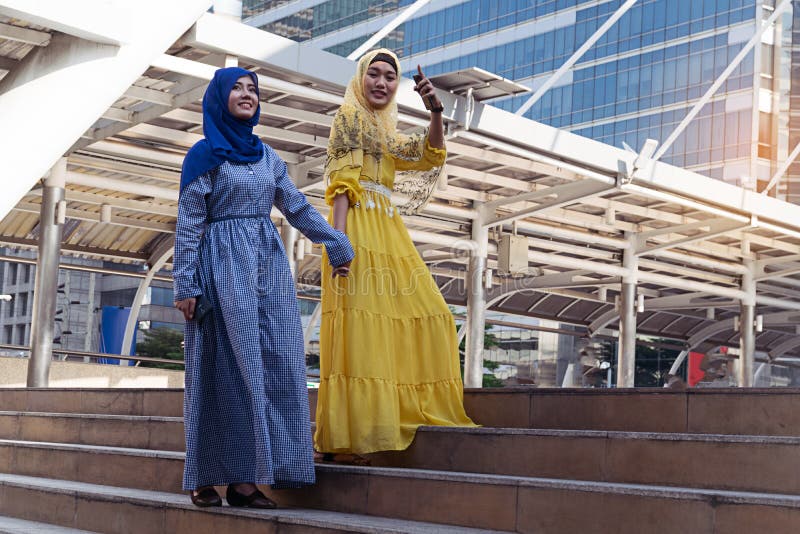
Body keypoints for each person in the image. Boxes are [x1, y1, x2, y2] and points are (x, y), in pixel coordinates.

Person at [173, 67, 353, 508]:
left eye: (253, 88)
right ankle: (206, 476)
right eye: (237, 87)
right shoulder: (204, 155)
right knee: (220, 372)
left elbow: (296, 207)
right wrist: (185, 282)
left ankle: (247, 481)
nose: (247, 94)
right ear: (219, 98)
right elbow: (189, 225)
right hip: (219, 270)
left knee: (272, 364)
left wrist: (336, 241)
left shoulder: (268, 158)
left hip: (267, 269)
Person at [314, 49, 475, 463]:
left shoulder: (385, 130)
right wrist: (339, 244)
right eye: (374, 74)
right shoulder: (349, 118)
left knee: (433, 314)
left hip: (389, 231)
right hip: (357, 231)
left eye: (390, 77)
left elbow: (427, 154)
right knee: (361, 332)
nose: (382, 83)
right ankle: (351, 437)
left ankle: (376, 424)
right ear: (360, 78)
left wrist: (436, 111)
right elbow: (343, 186)